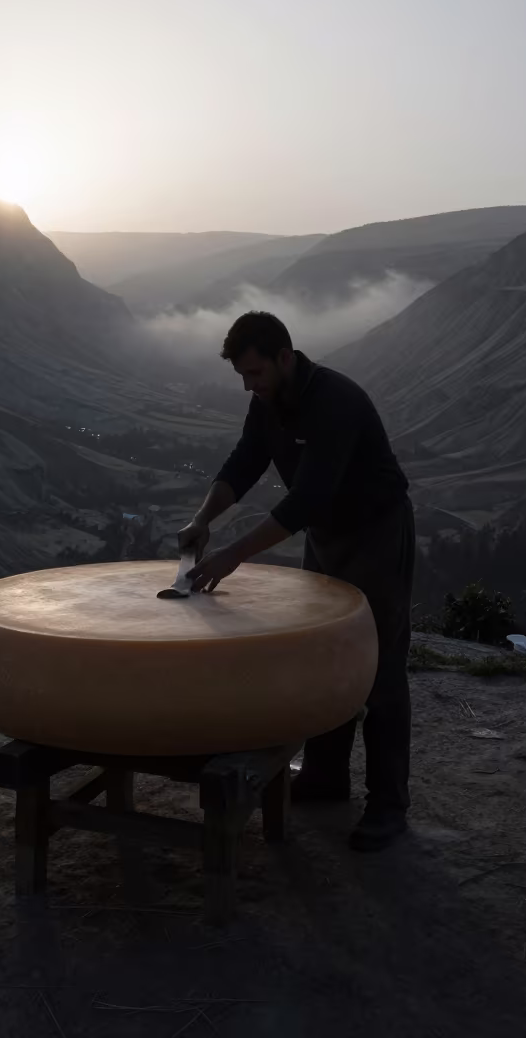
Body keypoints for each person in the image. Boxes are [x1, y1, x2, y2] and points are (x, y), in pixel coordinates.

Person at [179, 311, 414, 852]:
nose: (250, 386)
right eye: (242, 377)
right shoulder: (268, 401)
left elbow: (308, 498)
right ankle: (328, 777)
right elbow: (243, 464)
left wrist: (231, 556)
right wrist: (202, 520)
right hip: (328, 535)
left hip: (376, 532)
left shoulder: (335, 401)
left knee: (378, 666)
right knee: (328, 654)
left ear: (285, 357)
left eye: (256, 373)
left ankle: (388, 804)